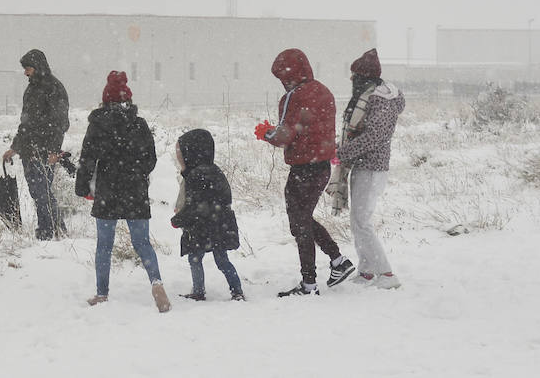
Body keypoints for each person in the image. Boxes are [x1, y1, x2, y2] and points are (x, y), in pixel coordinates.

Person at [255, 47, 355, 296]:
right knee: (304, 220)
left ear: (288, 74)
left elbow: (284, 135)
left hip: (302, 169)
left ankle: (309, 284)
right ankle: (337, 261)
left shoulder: (294, 96)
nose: (282, 82)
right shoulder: (324, 91)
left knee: (299, 224)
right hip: (321, 166)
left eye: (281, 77)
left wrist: (265, 132)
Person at [75, 70, 170, 313]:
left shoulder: (97, 124)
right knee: (142, 243)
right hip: (135, 190)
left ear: (106, 99)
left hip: (108, 189)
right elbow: (151, 158)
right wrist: (137, 173)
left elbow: (87, 158)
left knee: (104, 245)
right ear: (128, 99)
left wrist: (83, 185)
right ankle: (156, 283)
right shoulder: (139, 124)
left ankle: (102, 293)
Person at [336, 48, 406, 289]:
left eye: (354, 75)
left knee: (361, 222)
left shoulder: (381, 99)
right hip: (364, 165)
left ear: (363, 77)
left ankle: (386, 274)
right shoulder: (371, 98)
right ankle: (366, 271)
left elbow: (375, 136)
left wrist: (342, 152)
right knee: (358, 221)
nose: (351, 80)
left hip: (373, 167)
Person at [2, 48, 69, 240]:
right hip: (28, 150)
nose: (25, 72)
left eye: (28, 68)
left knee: (43, 193)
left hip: (45, 151)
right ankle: (50, 230)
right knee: (37, 193)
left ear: (37, 67)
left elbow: (60, 123)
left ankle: (52, 231)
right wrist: (15, 148)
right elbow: (26, 123)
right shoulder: (31, 89)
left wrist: (54, 150)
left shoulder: (54, 88)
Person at [171, 128, 244, 301]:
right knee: (222, 260)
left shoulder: (197, 175)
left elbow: (195, 206)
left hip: (202, 227)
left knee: (195, 259)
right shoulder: (214, 171)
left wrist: (178, 220)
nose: (179, 158)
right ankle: (237, 291)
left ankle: (199, 291)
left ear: (192, 153)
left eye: (181, 154)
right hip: (219, 225)